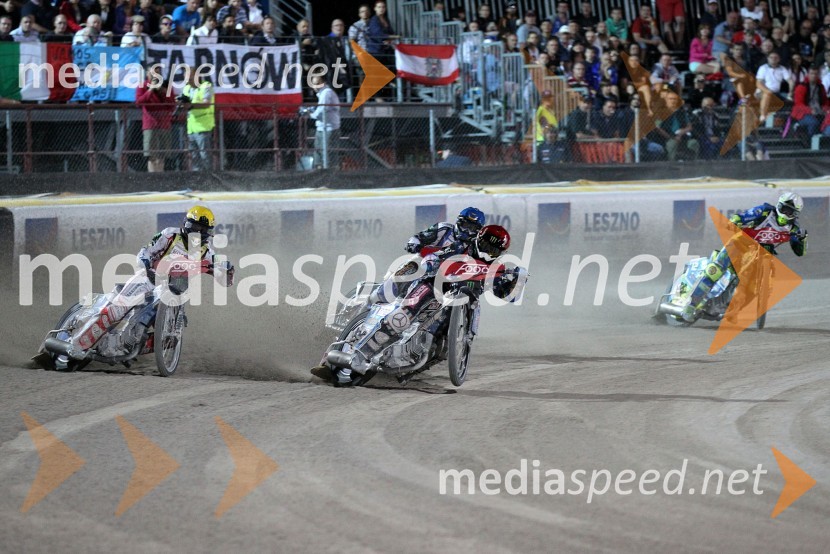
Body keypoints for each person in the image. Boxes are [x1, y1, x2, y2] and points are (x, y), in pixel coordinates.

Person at [324, 224, 519, 386]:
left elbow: (507, 295)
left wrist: (517, 280)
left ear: (501, 252)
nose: (487, 251)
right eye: (485, 244)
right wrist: (432, 261)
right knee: (402, 316)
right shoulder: (458, 245)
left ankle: (433, 350)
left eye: (493, 250)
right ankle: (360, 353)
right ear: (478, 239)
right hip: (433, 286)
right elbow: (432, 257)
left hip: (464, 302)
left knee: (457, 327)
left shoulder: (499, 268)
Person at [682, 192, 807, 321]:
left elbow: (800, 252)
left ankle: (733, 309)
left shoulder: (794, 229)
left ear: (796, 214)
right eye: (784, 209)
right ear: (778, 205)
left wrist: (802, 240)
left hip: (763, 255)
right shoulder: (764, 212)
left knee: (756, 285)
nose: (786, 214)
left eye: (790, 212)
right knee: (715, 270)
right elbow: (743, 216)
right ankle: (691, 304)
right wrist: (735, 221)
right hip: (740, 244)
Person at [137, 206, 234, 291]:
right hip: (151, 277)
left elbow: (219, 266)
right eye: (196, 227)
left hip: (177, 286)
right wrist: (145, 266)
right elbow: (146, 251)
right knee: (124, 302)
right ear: (187, 224)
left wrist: (227, 270)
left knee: (183, 286)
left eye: (203, 230)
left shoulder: (207, 250)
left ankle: (176, 311)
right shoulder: (169, 234)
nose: (199, 233)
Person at [135, 66, 176, 172]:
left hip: (164, 125)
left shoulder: (167, 86)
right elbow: (139, 102)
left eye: (158, 73)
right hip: (150, 125)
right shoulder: (142, 86)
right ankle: (152, 178)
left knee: (162, 155)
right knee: (152, 155)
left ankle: (160, 177)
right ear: (148, 74)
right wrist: (150, 90)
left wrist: (162, 91)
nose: (155, 76)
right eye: (153, 73)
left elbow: (172, 104)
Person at [181, 68, 215, 172]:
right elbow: (185, 105)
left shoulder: (206, 86)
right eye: (186, 78)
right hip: (191, 128)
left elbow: (207, 103)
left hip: (204, 127)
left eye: (189, 78)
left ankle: (209, 179)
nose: (187, 80)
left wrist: (191, 105)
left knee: (205, 156)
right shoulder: (186, 89)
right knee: (194, 157)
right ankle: (197, 180)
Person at [308, 75, 340, 169]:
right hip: (322, 127)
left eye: (317, 84)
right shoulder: (322, 94)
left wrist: (311, 114)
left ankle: (331, 174)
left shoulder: (326, 93)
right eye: (313, 84)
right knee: (318, 151)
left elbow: (322, 109)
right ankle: (321, 171)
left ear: (323, 83)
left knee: (328, 153)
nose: (315, 86)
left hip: (329, 128)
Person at [791, 67, 829, 137]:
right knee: (814, 123)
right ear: (808, 75)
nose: (814, 76)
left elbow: (825, 101)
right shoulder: (801, 87)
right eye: (812, 73)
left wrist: (826, 109)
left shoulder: (821, 87)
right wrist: (809, 110)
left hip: (819, 111)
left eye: (816, 74)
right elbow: (798, 104)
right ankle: (809, 140)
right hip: (802, 112)